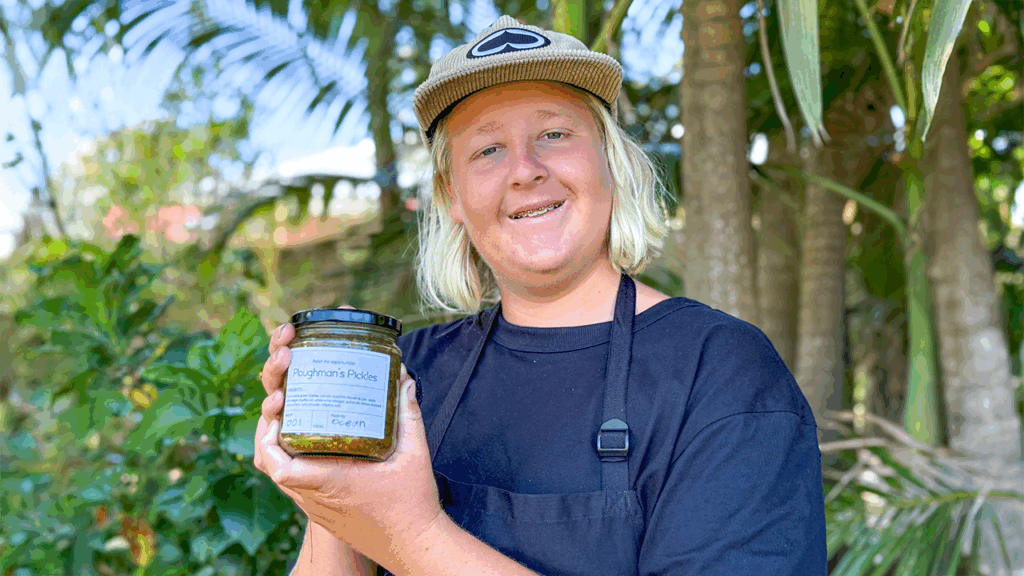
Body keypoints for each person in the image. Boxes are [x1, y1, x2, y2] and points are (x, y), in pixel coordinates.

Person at [253, 15, 827, 576]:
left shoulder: (721, 371)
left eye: (554, 134)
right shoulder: (410, 372)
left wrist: (415, 533)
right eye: (488, 150)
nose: (525, 171)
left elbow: (404, 535)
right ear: (452, 194)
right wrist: (329, 477)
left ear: (611, 162)